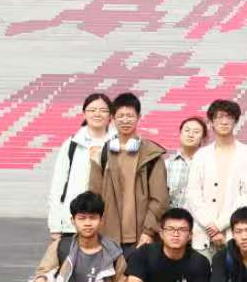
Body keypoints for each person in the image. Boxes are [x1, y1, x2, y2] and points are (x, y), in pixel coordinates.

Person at [97, 93, 170, 249]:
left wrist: (149, 231)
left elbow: (160, 199)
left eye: (130, 115)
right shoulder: (103, 152)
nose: (125, 120)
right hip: (108, 236)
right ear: (112, 118)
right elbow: (94, 193)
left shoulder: (151, 154)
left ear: (139, 117)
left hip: (142, 237)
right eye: (120, 116)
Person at [187, 99, 247, 255]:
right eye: (219, 117)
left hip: (233, 232)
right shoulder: (201, 155)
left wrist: (221, 225)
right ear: (211, 122)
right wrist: (210, 226)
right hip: (203, 233)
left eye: (229, 117)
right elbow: (193, 194)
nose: (224, 121)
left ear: (235, 121)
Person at [43, 91, 112, 242]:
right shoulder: (72, 144)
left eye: (103, 110)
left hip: (108, 223)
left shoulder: (118, 144)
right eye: (92, 110)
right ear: (84, 114)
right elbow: (58, 186)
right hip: (72, 224)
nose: (97, 114)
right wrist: (55, 225)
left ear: (110, 116)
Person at [164, 116, 206, 215]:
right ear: (180, 134)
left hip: (199, 221)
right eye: (187, 130)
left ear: (203, 138)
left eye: (196, 132)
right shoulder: (167, 164)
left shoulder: (207, 164)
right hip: (171, 219)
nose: (191, 135)